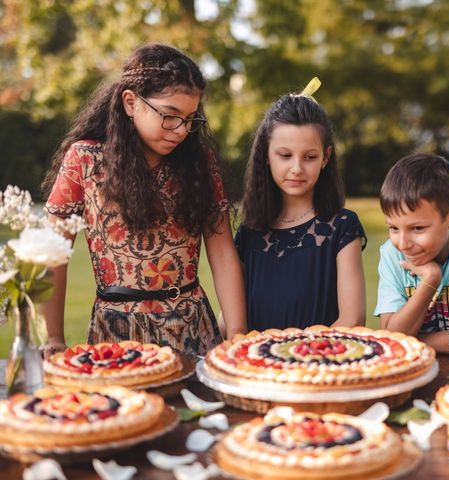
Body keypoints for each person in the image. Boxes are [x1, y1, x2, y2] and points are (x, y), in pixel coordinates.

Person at [41, 43, 246, 357]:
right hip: (116, 335)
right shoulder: (84, 161)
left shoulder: (200, 163)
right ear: (130, 102)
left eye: (191, 119)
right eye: (170, 115)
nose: (181, 130)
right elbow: (52, 255)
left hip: (193, 331)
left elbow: (222, 252)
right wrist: (53, 337)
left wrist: (238, 334)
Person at [235, 78, 367, 331]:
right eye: (285, 155)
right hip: (258, 366)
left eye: (309, 157)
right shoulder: (249, 232)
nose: (296, 168)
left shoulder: (342, 227)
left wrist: (295, 354)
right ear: (266, 155)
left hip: (319, 364)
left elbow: (352, 320)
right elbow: (232, 320)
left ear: (326, 157)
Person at [374, 153, 449, 353]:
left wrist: (411, 342)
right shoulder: (392, 255)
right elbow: (391, 335)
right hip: (409, 373)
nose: (404, 244)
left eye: (417, 228)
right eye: (394, 228)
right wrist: (431, 279)